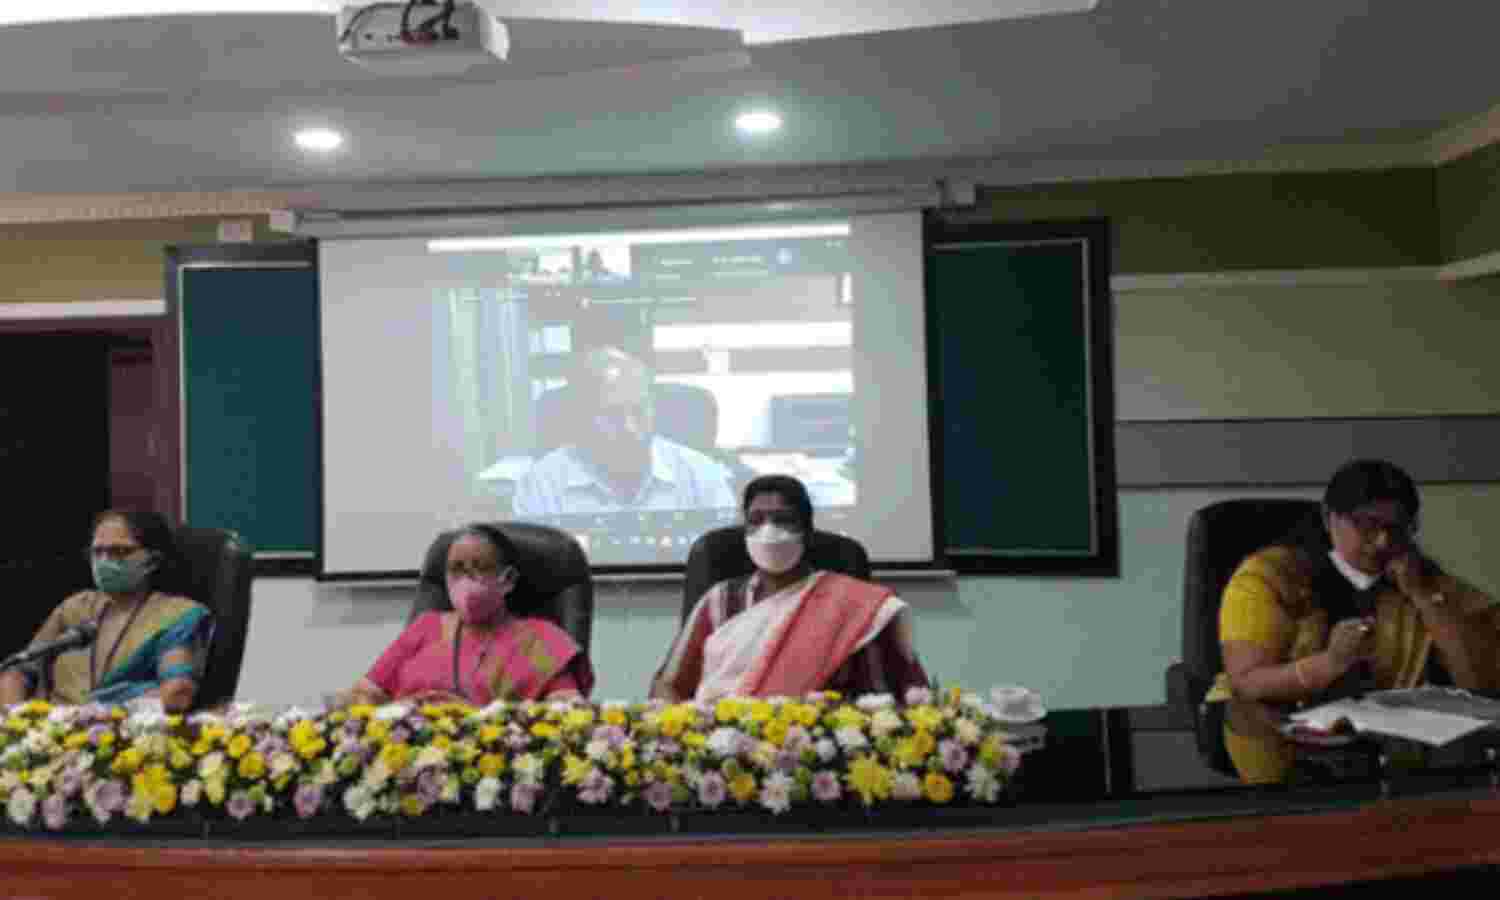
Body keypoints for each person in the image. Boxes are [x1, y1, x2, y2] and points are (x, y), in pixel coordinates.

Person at [1208, 459, 1500, 784]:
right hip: (1282, 747)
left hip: (1394, 752)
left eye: (1397, 528)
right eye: (1367, 525)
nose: (1383, 542)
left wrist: (1424, 596)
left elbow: (1483, 682)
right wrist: (1330, 663)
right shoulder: (1271, 577)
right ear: (1328, 518)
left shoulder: (1422, 577)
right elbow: (1246, 683)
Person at [650, 474, 928, 701]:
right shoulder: (719, 600)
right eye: (755, 520)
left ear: (806, 531)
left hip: (817, 742)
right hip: (721, 741)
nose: (768, 531)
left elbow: (883, 696)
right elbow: (668, 684)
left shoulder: (852, 606)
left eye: (782, 519)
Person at [344, 524, 593, 706]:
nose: (466, 578)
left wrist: (474, 717)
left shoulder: (540, 639)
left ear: (508, 580)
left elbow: (565, 709)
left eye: (479, 567)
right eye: (456, 569)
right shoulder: (425, 627)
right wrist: (404, 709)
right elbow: (364, 694)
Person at [0, 511, 212, 711]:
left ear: (153, 560)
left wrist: (103, 713)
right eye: (97, 552)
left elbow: (178, 693)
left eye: (119, 552)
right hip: (53, 729)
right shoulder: (75, 607)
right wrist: (15, 719)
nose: (104, 561)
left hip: (124, 729)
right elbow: (17, 671)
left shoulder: (177, 614)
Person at [512, 346, 735, 516]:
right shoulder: (542, 485)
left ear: (653, 410)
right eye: (612, 414)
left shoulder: (701, 476)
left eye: (639, 412)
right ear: (582, 417)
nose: (629, 427)